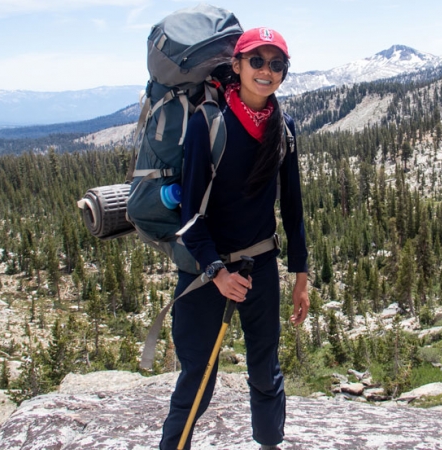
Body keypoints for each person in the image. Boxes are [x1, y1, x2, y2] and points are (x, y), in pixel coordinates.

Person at [159, 27, 309, 450]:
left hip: (260, 265)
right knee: (198, 375)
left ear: (284, 72)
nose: (266, 71)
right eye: (257, 61)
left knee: (265, 370)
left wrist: (301, 273)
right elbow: (189, 214)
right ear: (237, 65)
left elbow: (293, 208)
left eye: (276, 64)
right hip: (205, 270)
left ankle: (270, 444)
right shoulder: (208, 123)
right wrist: (216, 271)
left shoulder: (285, 127)